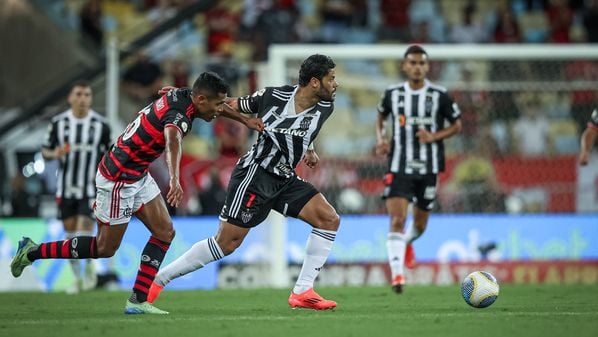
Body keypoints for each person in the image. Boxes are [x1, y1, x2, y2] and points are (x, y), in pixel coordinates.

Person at [11, 72, 264, 315]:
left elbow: (208, 108)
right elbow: (173, 140)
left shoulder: (185, 95)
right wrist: (175, 179)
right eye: (217, 104)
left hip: (138, 174)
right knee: (104, 247)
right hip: (117, 178)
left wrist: (245, 120)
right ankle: (32, 251)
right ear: (200, 100)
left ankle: (138, 300)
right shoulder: (179, 115)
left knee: (165, 232)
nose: (220, 109)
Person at [147, 54, 341, 310]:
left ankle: (303, 290)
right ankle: (159, 279)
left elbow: (306, 127)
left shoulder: (326, 106)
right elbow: (228, 103)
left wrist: (309, 149)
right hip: (255, 175)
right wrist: (187, 96)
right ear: (315, 82)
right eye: (331, 78)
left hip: (284, 177)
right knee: (226, 243)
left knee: (329, 219)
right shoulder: (274, 97)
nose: (335, 84)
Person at [375, 45, 462, 293]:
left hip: (429, 167)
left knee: (420, 226)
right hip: (399, 165)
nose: (417, 67)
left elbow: (457, 125)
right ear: (404, 66)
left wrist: (434, 136)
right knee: (397, 219)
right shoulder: (392, 94)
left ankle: (408, 243)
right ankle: (397, 276)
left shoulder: (440, 95)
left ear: (427, 66)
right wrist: (381, 139)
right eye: (412, 63)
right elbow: (380, 116)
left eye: (422, 63)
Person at [41, 81, 111, 293]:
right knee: (70, 234)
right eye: (78, 94)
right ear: (70, 98)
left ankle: (89, 266)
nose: (83, 98)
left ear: (90, 99)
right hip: (65, 189)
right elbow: (45, 151)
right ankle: (77, 278)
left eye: (87, 95)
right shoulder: (58, 123)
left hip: (90, 189)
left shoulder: (101, 126)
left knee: (84, 228)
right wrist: (56, 154)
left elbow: (110, 153)